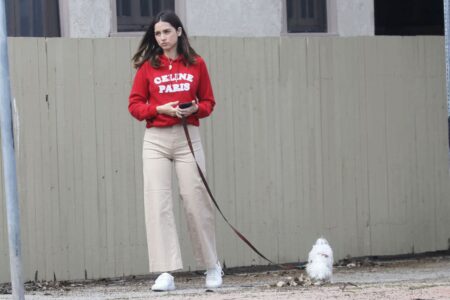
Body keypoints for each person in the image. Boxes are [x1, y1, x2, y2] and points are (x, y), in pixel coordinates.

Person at [128, 10, 222, 291]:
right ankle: (166, 271)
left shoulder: (196, 64)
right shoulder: (148, 67)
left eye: (167, 32)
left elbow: (208, 102)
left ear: (179, 32)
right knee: (158, 203)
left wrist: (195, 109)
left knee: (195, 199)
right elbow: (135, 105)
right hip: (155, 138)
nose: (162, 38)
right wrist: (159, 108)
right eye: (157, 34)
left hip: (187, 137)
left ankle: (211, 265)